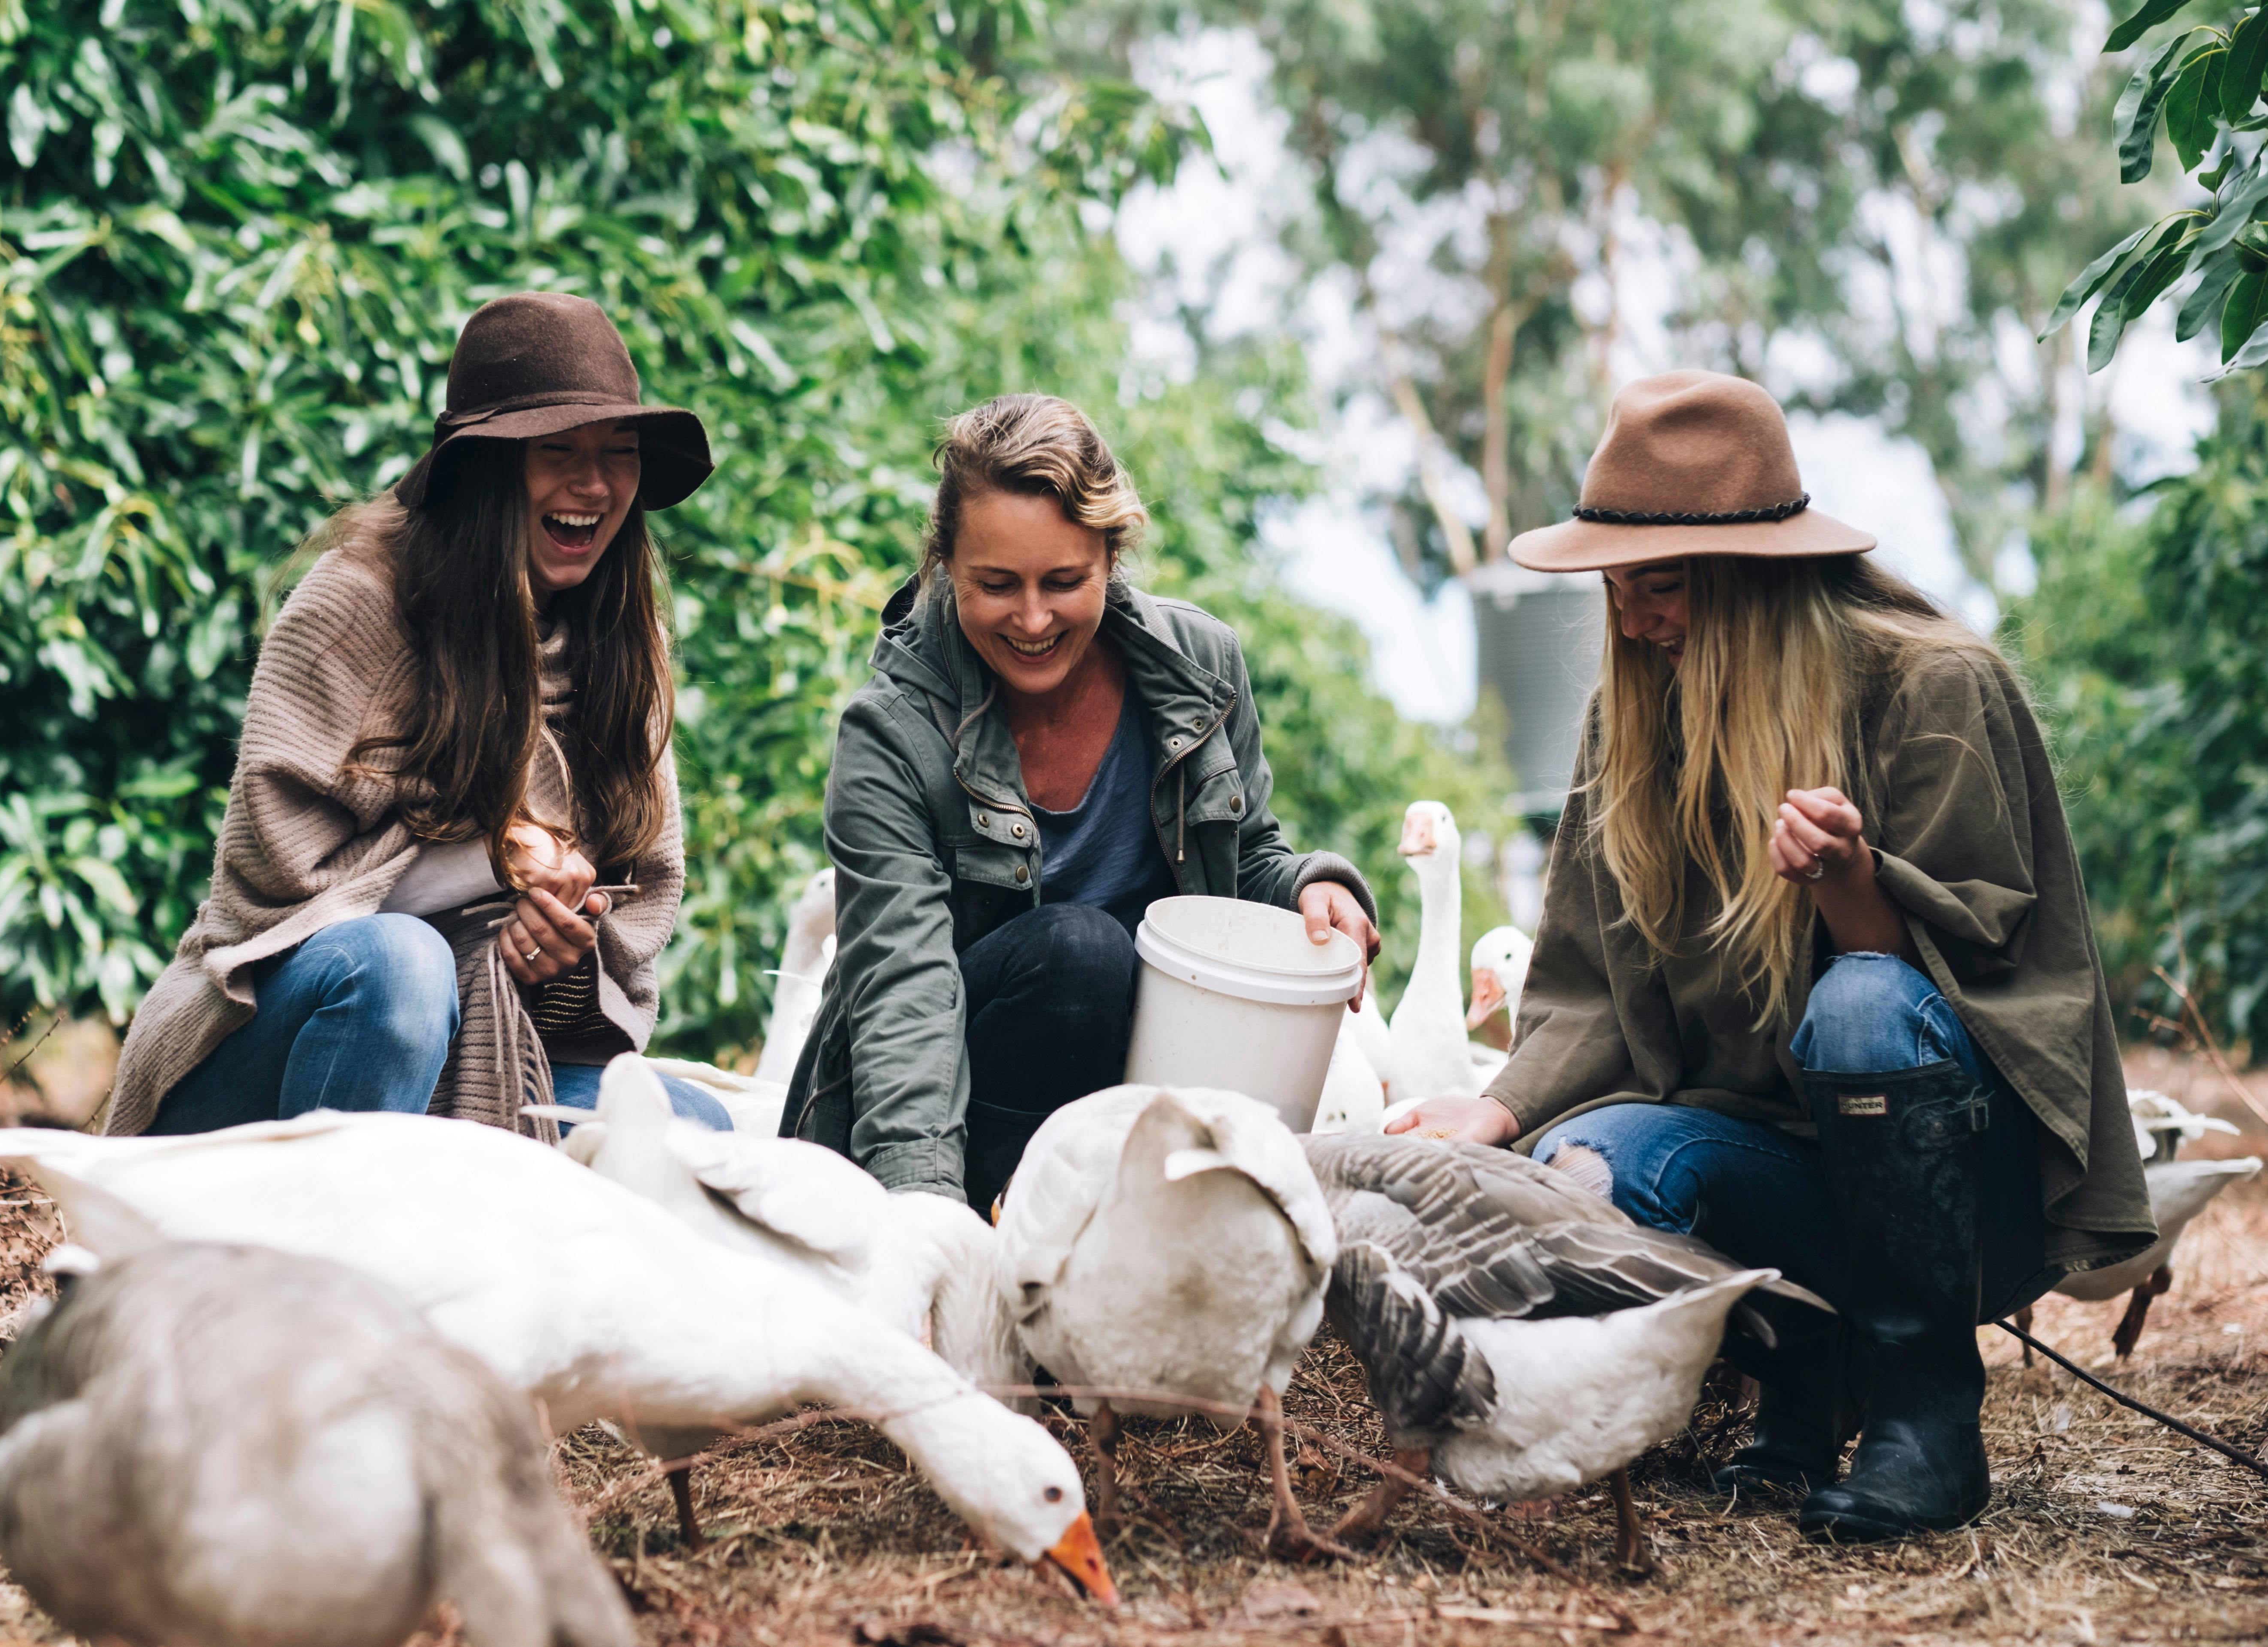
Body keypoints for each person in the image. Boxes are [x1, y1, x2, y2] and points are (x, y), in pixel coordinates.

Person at [1387, 371, 2154, 1542]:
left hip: (1962, 1195)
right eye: (1617, 590)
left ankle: (1922, 1415)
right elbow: (1591, 987)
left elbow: (1985, 1001)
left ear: (1758, 575)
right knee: (1601, 1155)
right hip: (1779, 1181)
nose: (1635, 622)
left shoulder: (1933, 684)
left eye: (1664, 588)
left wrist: (1851, 883)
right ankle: (1797, 1383)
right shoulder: (1635, 717)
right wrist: (1494, 1119)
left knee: (1858, 1010)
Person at [105, 293, 729, 1137]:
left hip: (473, 1046)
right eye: (559, 452)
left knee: (689, 1132)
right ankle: (318, 1262)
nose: (595, 485)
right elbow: (272, 886)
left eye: (618, 453)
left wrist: (547, 942)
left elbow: (634, 904)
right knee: (401, 968)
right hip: (261, 1051)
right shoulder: (358, 601)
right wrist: (495, 854)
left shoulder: (623, 637)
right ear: (488, 469)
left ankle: (446, 1251)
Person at [780, 394, 1382, 1211]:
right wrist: (922, 1218)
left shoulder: (1201, 670)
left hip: (1127, 1101)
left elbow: (1243, 863)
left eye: (1065, 582)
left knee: (1114, 962)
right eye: (996, 585)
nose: (1032, 620)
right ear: (946, 567)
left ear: (1111, 558)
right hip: (942, 1117)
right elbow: (902, 992)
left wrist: (1310, 886)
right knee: (1083, 953)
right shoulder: (890, 734)